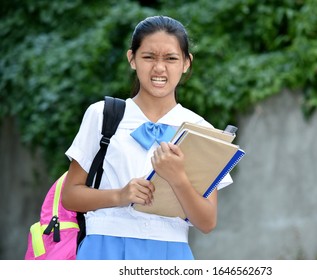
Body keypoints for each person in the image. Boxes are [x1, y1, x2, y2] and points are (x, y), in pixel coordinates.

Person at [62, 15, 233, 260]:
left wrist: (178, 179)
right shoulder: (102, 115)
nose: (159, 68)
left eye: (171, 58)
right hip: (102, 249)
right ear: (132, 59)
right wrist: (120, 196)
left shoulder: (200, 129)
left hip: (170, 253)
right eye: (148, 57)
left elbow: (207, 222)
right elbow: (70, 196)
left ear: (186, 63)